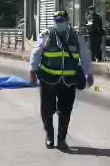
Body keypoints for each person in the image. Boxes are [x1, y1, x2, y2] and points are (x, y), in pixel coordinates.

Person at [29, 10, 94, 151]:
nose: (60, 23)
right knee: (47, 110)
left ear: (67, 20)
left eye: (62, 20)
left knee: (65, 111)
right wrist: (32, 70)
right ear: (54, 21)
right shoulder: (46, 35)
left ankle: (62, 138)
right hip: (48, 79)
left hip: (69, 81)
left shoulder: (77, 36)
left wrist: (89, 73)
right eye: (57, 21)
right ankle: (49, 134)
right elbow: (36, 52)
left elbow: (84, 54)